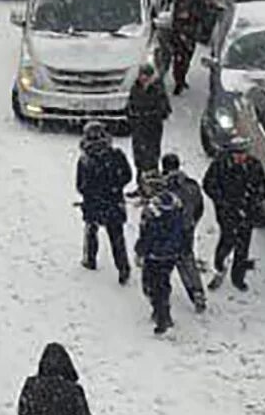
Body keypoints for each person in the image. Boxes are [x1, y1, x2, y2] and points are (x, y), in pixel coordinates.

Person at [203, 135, 265, 291]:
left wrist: (255, 203)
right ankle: (219, 268)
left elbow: (262, 187)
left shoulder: (254, 166)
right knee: (226, 241)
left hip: (247, 213)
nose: (240, 157)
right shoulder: (219, 166)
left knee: (242, 247)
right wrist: (221, 201)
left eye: (243, 153)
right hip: (227, 213)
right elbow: (208, 185)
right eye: (237, 154)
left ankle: (238, 277)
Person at [76, 122, 132, 285]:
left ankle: (90, 259)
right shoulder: (116, 155)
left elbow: (80, 186)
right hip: (114, 203)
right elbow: (127, 175)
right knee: (117, 237)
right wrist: (115, 187)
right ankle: (123, 268)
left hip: (93, 204)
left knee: (91, 231)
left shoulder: (85, 160)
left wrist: (92, 193)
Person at [135, 189, 189, 335]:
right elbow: (185, 235)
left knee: (151, 285)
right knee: (163, 283)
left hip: (154, 257)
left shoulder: (154, 220)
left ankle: (161, 315)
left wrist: (140, 251)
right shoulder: (178, 218)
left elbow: (146, 238)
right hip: (170, 256)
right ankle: (163, 311)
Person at [161, 153, 208, 312]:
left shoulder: (163, 188)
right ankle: (197, 291)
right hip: (187, 229)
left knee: (164, 263)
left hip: (168, 232)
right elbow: (199, 207)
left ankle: (160, 297)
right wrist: (191, 222)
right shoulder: (191, 186)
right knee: (187, 260)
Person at [126, 62, 171, 182]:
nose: (144, 78)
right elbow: (130, 106)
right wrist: (133, 116)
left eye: (146, 76)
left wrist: (150, 114)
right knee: (139, 156)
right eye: (142, 75)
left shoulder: (157, 89)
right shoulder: (135, 88)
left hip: (152, 128)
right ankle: (140, 182)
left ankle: (152, 182)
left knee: (151, 156)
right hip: (138, 128)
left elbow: (164, 110)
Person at [169, 0, 210, 94]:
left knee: (185, 59)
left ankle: (181, 79)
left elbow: (203, 15)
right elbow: (180, 16)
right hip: (182, 33)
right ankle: (179, 81)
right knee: (180, 58)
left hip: (190, 33)